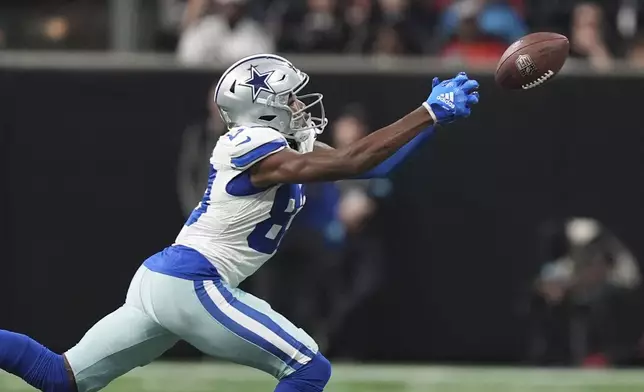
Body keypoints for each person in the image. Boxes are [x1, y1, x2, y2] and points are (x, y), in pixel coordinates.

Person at [0, 54, 479, 392]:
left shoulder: (275, 145)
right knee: (307, 368)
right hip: (191, 280)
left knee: (60, 379)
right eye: (290, 99)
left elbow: (372, 166)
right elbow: (354, 162)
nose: (299, 106)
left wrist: (432, 121)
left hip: (166, 280)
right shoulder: (250, 144)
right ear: (262, 106)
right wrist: (426, 111)